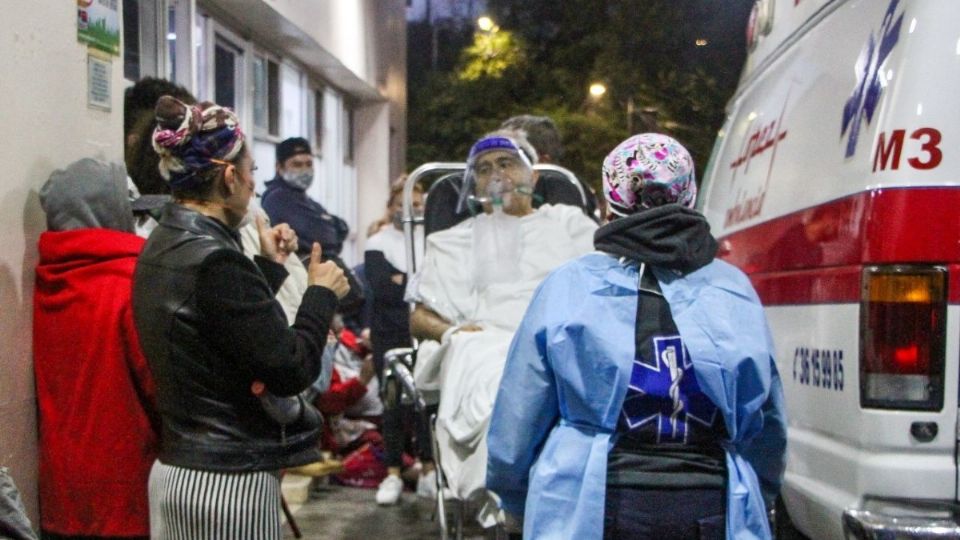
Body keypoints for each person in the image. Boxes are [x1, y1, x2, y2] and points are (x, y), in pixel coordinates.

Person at [486, 134, 787, 540]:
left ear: (611, 201)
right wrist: (760, 491)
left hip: (592, 503)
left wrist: (513, 498)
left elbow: (521, 412)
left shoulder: (569, 287)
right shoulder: (733, 289)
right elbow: (766, 418)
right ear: (689, 195)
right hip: (711, 504)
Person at [133, 95, 349, 539]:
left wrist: (267, 269)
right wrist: (319, 295)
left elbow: (217, 327)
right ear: (229, 177)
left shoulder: (164, 241)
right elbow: (289, 367)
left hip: (178, 468)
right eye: (251, 173)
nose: (254, 186)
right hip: (226, 481)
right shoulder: (216, 261)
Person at [408, 131, 597, 505]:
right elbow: (419, 318)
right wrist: (455, 331)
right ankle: (510, 493)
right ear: (474, 182)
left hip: (556, 336)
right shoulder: (454, 241)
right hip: (487, 343)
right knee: (503, 379)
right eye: (483, 169)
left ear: (534, 177)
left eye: (506, 163)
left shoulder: (569, 226)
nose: (496, 175)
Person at [34, 159, 159, 540]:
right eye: (132, 214)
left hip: (61, 491)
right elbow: (159, 384)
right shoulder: (130, 283)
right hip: (126, 489)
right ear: (111, 213)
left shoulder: (46, 281)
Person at [366, 180, 432, 504]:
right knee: (392, 402)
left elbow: (433, 282)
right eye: (404, 204)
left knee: (426, 402)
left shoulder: (432, 241)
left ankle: (429, 469)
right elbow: (383, 287)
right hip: (388, 333)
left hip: (423, 332)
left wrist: (402, 280)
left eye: (417, 203)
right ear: (391, 207)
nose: (410, 210)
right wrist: (412, 283)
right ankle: (392, 472)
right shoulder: (378, 241)